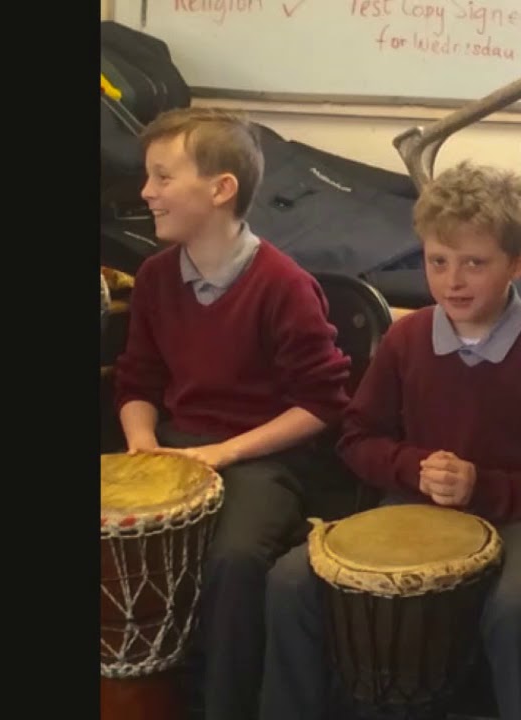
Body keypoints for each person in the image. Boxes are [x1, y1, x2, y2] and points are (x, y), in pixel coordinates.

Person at [259, 161, 521, 720]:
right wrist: (414, 467)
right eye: (437, 261)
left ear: (518, 264)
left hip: (518, 520)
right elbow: (356, 439)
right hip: (410, 509)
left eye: (474, 263)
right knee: (290, 580)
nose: (452, 281)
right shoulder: (407, 338)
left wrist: (480, 486)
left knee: (516, 605)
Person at [111, 107, 353, 720]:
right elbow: (138, 379)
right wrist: (142, 444)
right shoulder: (156, 277)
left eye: (163, 177)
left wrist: (223, 453)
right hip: (174, 444)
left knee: (234, 561)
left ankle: (222, 705)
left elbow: (322, 403)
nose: (147, 192)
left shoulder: (283, 285)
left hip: (261, 458)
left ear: (221, 189)